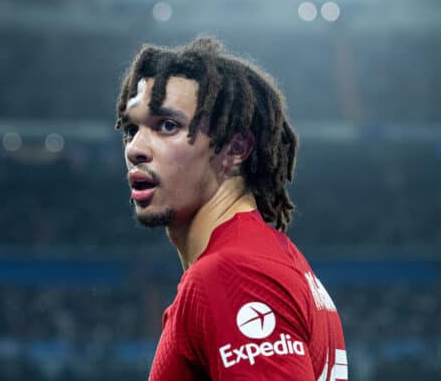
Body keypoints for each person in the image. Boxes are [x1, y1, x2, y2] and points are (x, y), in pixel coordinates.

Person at [115, 36, 347, 380]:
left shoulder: (235, 272)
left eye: (167, 126)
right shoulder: (268, 256)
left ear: (235, 148)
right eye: (132, 128)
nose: (135, 148)